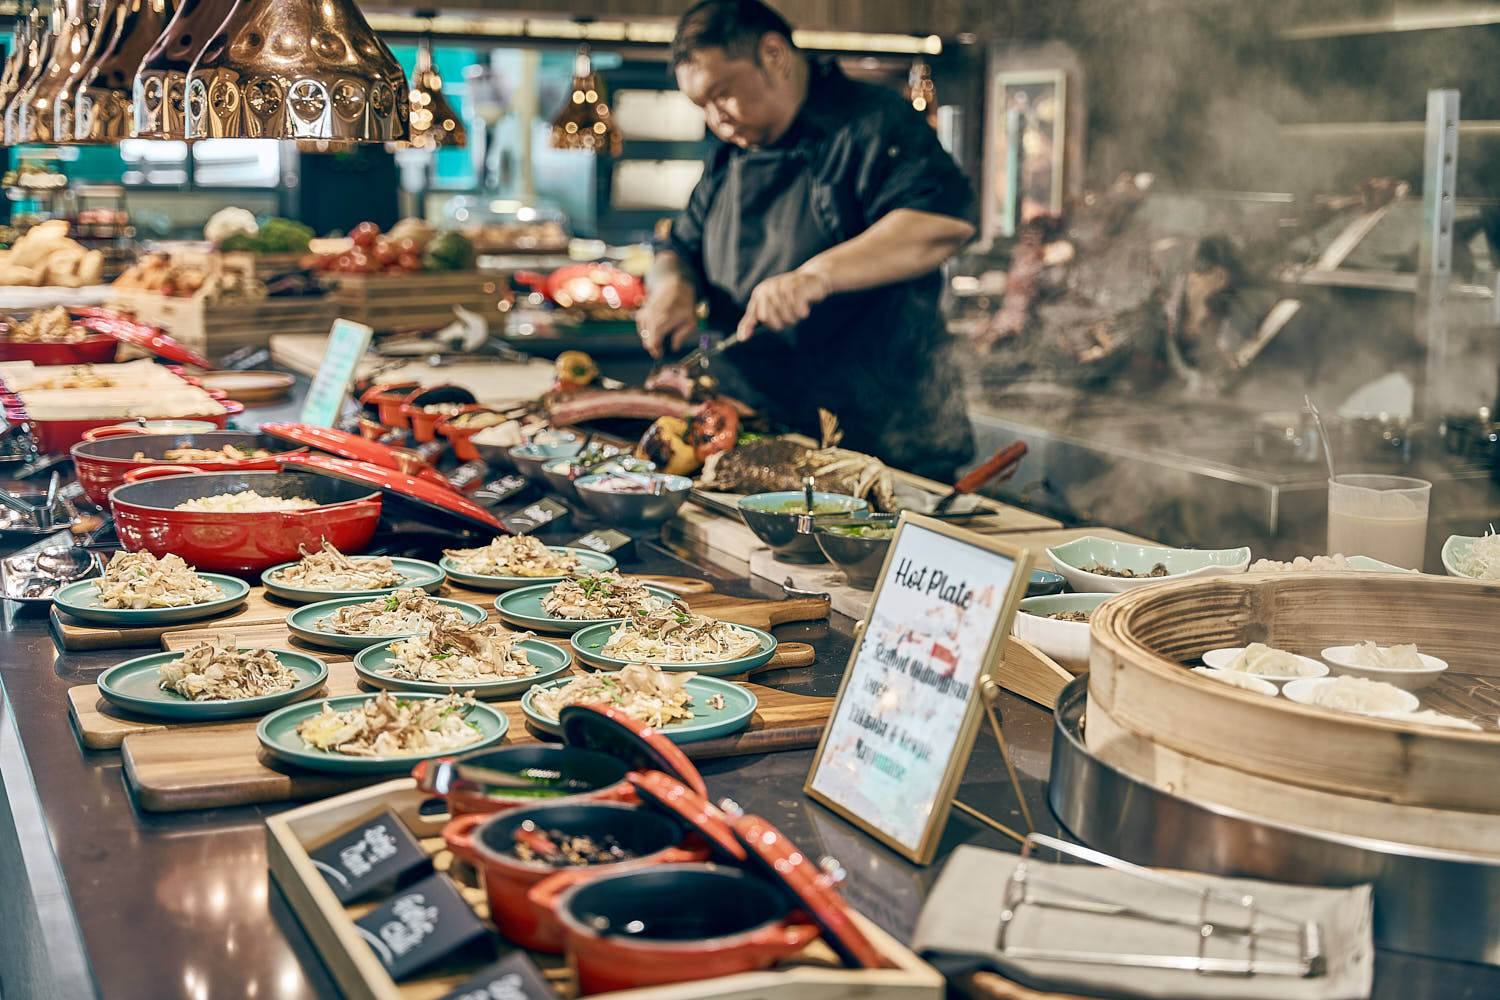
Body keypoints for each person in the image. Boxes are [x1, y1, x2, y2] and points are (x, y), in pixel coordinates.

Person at [637, 0, 977, 482]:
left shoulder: (874, 123)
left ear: (774, 54)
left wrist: (815, 277)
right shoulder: (729, 155)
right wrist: (672, 289)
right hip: (759, 432)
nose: (717, 119)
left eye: (724, 93)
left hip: (878, 442)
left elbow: (942, 222)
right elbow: (678, 248)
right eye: (702, 106)